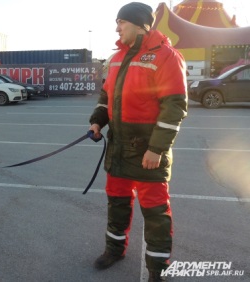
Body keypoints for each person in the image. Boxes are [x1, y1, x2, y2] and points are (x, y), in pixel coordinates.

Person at [88, 2, 187, 282]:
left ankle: (158, 270)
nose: (117, 27)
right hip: (119, 147)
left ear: (141, 24)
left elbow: (174, 106)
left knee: (156, 212)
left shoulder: (166, 56)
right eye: (117, 22)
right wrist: (98, 120)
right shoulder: (116, 57)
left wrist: (157, 148)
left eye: (121, 22)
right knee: (117, 203)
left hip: (148, 151)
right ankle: (114, 250)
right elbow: (106, 96)